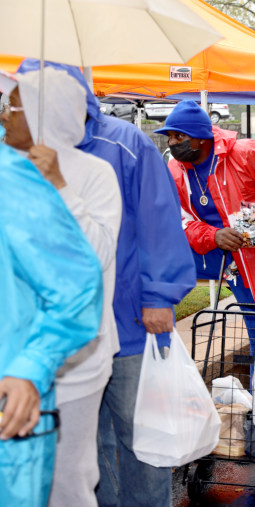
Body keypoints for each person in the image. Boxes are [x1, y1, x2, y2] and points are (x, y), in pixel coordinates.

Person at [15, 59, 197, 507]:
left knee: (141, 440)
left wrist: (159, 296)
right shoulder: (18, 153)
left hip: (130, 320)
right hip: (60, 332)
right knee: (82, 452)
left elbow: (159, 224)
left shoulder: (125, 144)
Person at [1, 68, 121, 507]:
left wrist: (58, 186)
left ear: (42, 113)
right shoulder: (10, 170)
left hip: (74, 362)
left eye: (15, 106)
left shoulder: (93, 172)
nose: (7, 116)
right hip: (16, 358)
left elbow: (95, 261)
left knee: (68, 482)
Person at [158, 100, 255, 360]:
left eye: (179, 136)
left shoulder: (246, 153)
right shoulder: (176, 169)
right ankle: (159, 348)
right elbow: (176, 220)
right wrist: (213, 235)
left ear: (201, 139)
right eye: (169, 136)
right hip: (217, 256)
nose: (172, 143)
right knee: (156, 270)